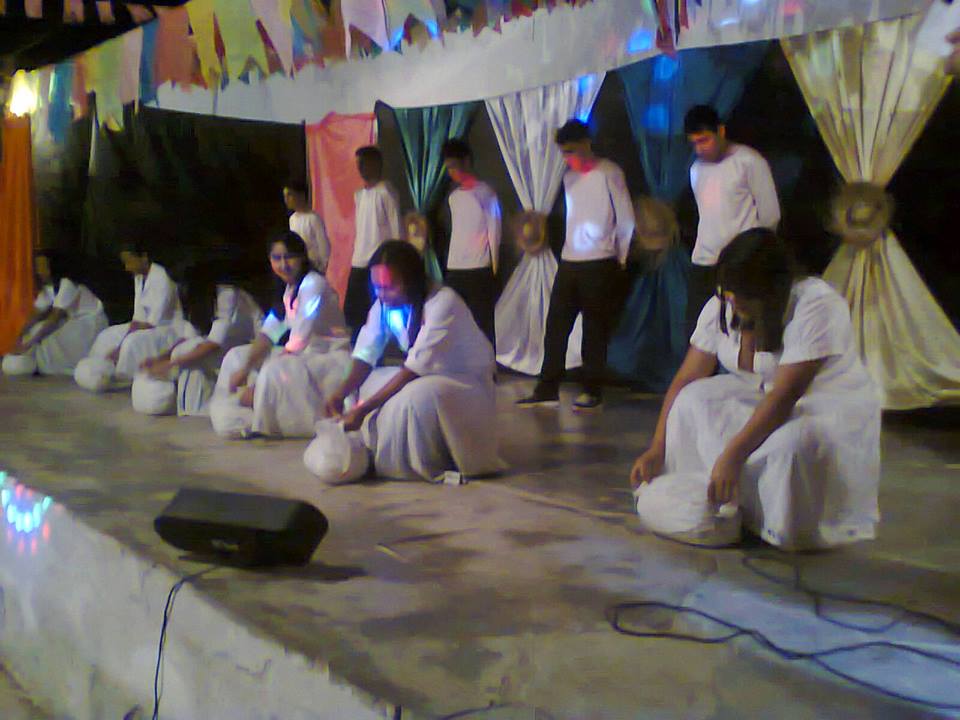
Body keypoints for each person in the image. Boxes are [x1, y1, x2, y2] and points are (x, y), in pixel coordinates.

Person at [631, 228, 880, 551]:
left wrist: (732, 456)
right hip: (761, 393)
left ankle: (775, 524)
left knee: (790, 444)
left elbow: (785, 396)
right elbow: (687, 378)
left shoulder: (816, 304)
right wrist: (657, 448)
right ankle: (711, 500)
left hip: (822, 404)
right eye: (728, 292)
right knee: (691, 400)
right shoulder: (724, 303)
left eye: (742, 294)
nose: (733, 301)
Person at [321, 240, 503, 482]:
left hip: (465, 382)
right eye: (377, 287)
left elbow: (415, 367)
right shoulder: (383, 305)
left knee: (413, 398)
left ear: (412, 280)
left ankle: (410, 464)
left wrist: (363, 410)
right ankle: (370, 454)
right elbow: (365, 353)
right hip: (425, 374)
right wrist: (341, 393)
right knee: (368, 386)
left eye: (389, 287)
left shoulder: (443, 302)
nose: (382, 295)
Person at [517, 120, 635, 411]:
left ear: (586, 144)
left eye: (571, 150)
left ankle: (592, 389)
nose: (568, 158)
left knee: (594, 329)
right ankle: (547, 388)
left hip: (600, 261)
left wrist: (619, 257)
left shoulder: (609, 172)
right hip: (570, 261)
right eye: (564, 152)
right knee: (556, 326)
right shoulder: (569, 178)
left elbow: (626, 218)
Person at [209, 231, 350, 438]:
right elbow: (268, 334)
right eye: (277, 258)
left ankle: (262, 417)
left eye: (289, 257)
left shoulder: (313, 284)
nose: (283, 265)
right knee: (236, 356)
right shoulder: (288, 290)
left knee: (273, 370)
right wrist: (245, 368)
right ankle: (245, 407)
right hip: (300, 356)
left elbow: (299, 339)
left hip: (326, 360)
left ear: (302, 258)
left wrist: (257, 386)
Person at [684, 104, 780, 337]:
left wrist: (754, 255)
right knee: (697, 331)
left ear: (721, 131)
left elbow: (770, 215)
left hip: (740, 262)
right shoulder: (696, 169)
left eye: (704, 140)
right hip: (705, 261)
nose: (700, 148)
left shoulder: (748, 161)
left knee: (739, 331)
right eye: (694, 143)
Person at [133, 263, 262, 416]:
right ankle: (189, 404)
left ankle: (196, 405)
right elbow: (189, 336)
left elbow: (214, 343)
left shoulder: (226, 293)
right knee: (183, 351)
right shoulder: (195, 299)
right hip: (225, 346)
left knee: (185, 353)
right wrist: (161, 358)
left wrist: (170, 364)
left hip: (249, 346)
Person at [74, 240, 182, 391]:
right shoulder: (139, 278)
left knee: (131, 341)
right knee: (108, 335)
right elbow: (138, 317)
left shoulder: (161, 278)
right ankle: (97, 371)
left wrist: (121, 345)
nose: (127, 267)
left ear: (144, 257)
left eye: (130, 262)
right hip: (144, 325)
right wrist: (123, 335)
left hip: (165, 329)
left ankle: (122, 378)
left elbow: (153, 322)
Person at [2, 250, 108, 377]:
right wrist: (19, 336)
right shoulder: (48, 288)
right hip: (72, 321)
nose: (40, 271)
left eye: (44, 267)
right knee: (36, 329)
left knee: (49, 337)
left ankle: (55, 368)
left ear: (54, 267)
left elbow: (54, 319)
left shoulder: (67, 284)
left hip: (89, 323)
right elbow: (35, 315)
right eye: (38, 267)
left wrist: (28, 344)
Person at [441, 138, 501, 349]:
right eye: (448, 168)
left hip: (479, 267)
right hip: (455, 267)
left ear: (466, 161)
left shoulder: (485, 192)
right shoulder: (454, 197)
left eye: (454, 166)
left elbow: (494, 230)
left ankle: (487, 365)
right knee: (454, 321)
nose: (452, 172)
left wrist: (494, 267)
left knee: (482, 323)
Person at [344, 146, 402, 342]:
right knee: (355, 312)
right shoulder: (359, 195)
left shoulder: (386, 192)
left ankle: (379, 349)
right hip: (359, 259)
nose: (360, 168)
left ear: (376, 164)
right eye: (358, 164)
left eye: (364, 163)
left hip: (378, 261)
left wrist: (394, 260)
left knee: (378, 310)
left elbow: (396, 228)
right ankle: (356, 347)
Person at [283, 178, 330, 272]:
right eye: (285, 196)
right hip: (298, 267)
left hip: (313, 267)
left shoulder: (313, 218)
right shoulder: (292, 219)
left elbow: (323, 246)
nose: (286, 199)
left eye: (289, 195)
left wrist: (321, 268)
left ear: (301, 195)